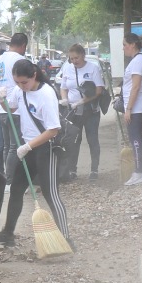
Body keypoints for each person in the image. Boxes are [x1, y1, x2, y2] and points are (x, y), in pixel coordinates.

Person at [0, 58, 71, 247]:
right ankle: (8, 232)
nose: (21, 86)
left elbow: (53, 129)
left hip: (47, 148)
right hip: (27, 148)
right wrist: (2, 99)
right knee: (16, 189)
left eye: (24, 82)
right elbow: (11, 108)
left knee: (50, 193)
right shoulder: (20, 90)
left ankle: (66, 238)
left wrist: (28, 146)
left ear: (34, 75)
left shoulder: (46, 94)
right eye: (17, 83)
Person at [55, 43, 106, 181]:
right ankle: (72, 170)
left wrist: (83, 101)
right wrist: (64, 99)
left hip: (90, 110)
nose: (74, 61)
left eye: (76, 58)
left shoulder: (93, 68)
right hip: (73, 111)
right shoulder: (68, 68)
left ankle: (94, 170)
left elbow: (99, 90)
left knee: (92, 139)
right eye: (71, 58)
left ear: (83, 55)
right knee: (73, 140)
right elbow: (63, 87)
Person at [0, 32, 29, 170]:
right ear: (23, 45)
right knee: (16, 147)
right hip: (17, 110)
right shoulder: (21, 60)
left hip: (2, 110)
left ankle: (6, 178)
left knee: (7, 147)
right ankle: (10, 179)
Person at [122, 31, 142, 186]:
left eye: (125, 45)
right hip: (135, 105)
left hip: (136, 106)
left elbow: (135, 87)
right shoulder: (136, 61)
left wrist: (128, 109)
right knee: (136, 137)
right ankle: (141, 169)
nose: (123, 48)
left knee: (135, 138)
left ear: (132, 45)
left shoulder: (138, 61)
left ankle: (139, 171)